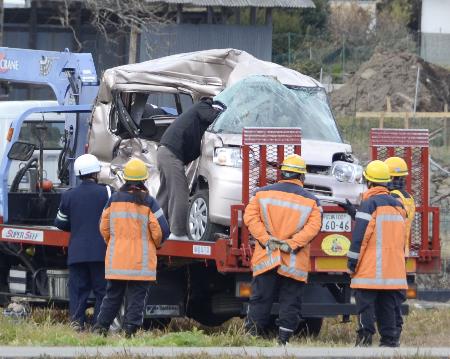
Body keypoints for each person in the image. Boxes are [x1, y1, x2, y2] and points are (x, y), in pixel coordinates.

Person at [243, 154, 322, 345]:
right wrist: (292, 244)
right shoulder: (312, 202)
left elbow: (250, 218)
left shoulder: (262, 194)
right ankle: (283, 341)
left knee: (260, 299)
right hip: (294, 261)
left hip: (266, 258)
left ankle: (251, 339)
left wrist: (266, 240)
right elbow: (313, 228)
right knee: (290, 302)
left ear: (282, 173)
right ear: (302, 177)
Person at [93, 158, 169, 337]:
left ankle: (100, 329)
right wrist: (155, 245)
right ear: (144, 180)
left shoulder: (113, 200)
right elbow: (162, 230)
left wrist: (114, 242)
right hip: (140, 262)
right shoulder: (149, 202)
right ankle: (129, 332)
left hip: (117, 260)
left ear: (125, 179)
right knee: (136, 299)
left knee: (112, 297)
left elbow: (103, 227)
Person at [347, 160, 407, 347]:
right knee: (388, 307)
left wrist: (352, 262)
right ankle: (390, 342)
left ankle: (365, 340)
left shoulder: (369, 204)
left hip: (370, 269)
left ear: (368, 182)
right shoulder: (399, 206)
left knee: (365, 306)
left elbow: (360, 237)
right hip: (393, 271)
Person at [54, 154, 111, 331]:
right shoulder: (107, 192)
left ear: (79, 173)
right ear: (95, 173)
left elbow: (60, 223)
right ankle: (98, 327)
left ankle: (76, 325)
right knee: (102, 291)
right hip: (101, 253)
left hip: (77, 253)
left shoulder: (69, 195)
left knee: (78, 291)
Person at [156, 98, 225, 240]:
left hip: (165, 152)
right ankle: (178, 233)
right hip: (171, 154)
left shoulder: (197, 114)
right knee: (180, 192)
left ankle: (156, 227)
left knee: (166, 194)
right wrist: (223, 114)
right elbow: (211, 116)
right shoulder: (203, 106)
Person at [384, 156, 415, 346]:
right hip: (402, 252)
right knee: (394, 294)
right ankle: (395, 331)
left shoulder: (394, 199)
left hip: (394, 252)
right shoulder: (408, 197)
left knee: (391, 296)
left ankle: (393, 334)